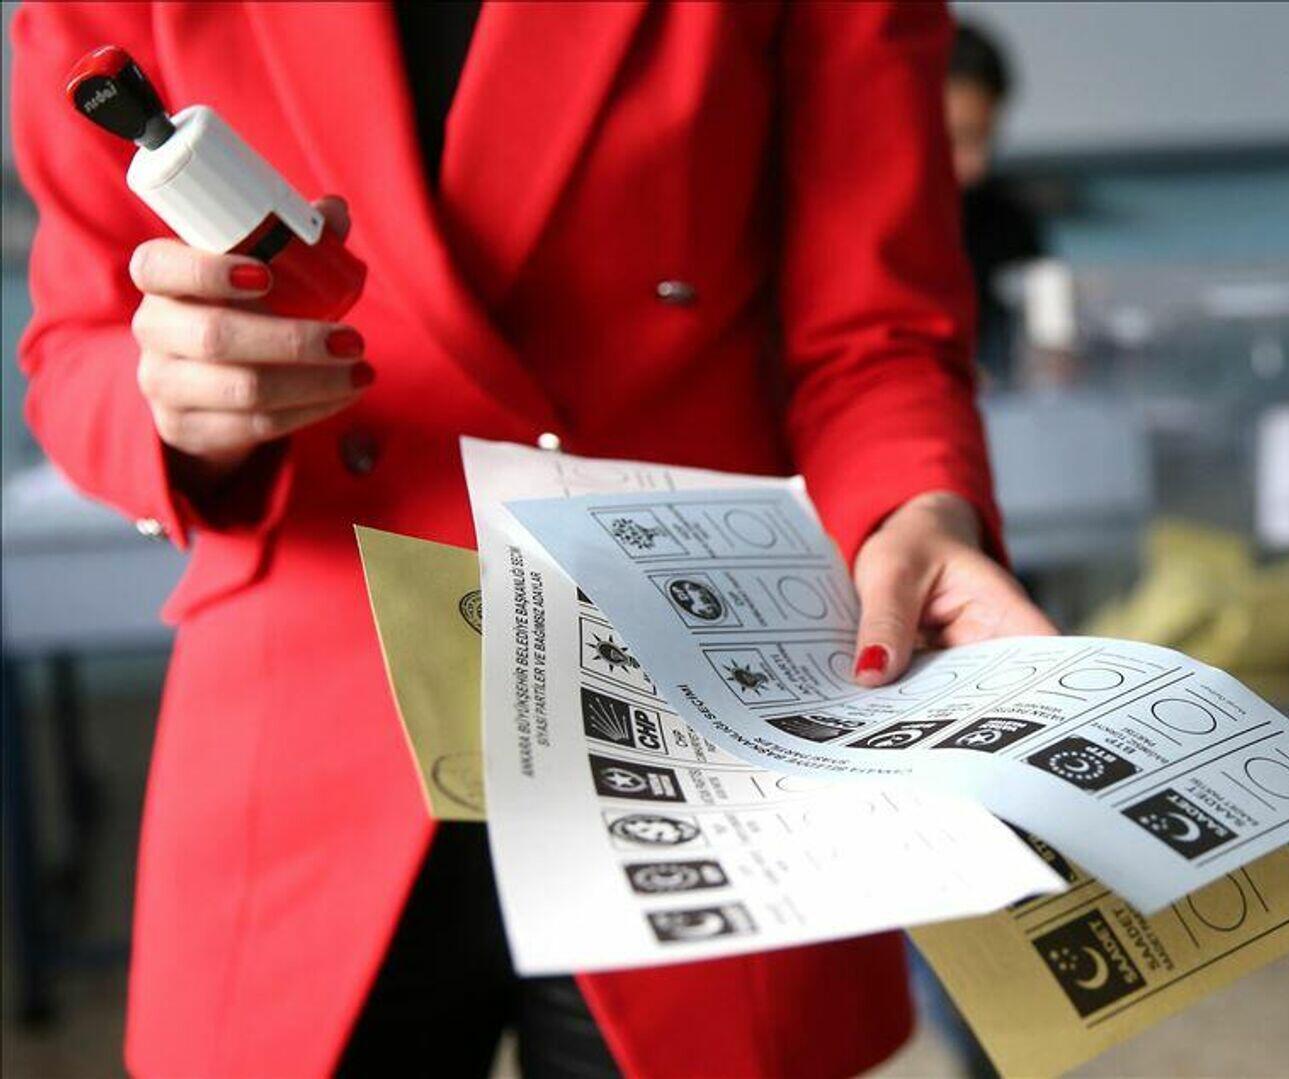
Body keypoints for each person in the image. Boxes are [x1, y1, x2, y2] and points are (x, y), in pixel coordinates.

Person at [9, 3, 1053, 1076]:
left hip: (696, 678)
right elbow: (76, 339)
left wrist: (912, 504)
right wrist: (177, 402)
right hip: (318, 682)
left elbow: (876, 330)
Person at [946, 21, 1046, 382]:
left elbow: (1045, 339)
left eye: (985, 139)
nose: (976, 165)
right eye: (958, 138)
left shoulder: (1008, 222)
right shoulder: (854, 236)